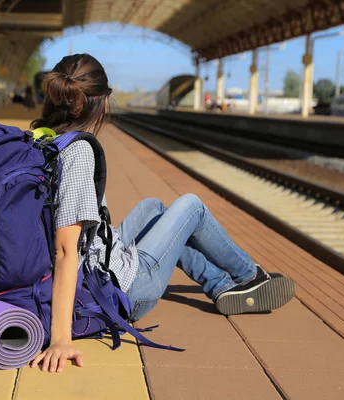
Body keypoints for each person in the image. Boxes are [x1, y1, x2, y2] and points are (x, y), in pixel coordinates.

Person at [28, 54, 295, 373]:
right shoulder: (79, 152)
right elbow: (65, 248)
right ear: (102, 103)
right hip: (121, 289)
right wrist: (60, 338)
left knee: (154, 208)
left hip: (102, 258)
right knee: (191, 206)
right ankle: (249, 276)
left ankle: (219, 285)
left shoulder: (42, 138)